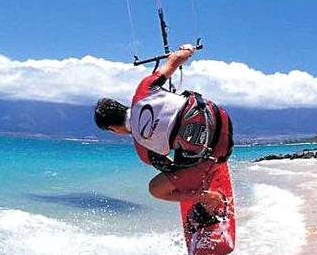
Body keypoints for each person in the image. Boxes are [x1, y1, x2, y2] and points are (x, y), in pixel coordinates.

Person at [94, 44, 234, 221]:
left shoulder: (142, 149)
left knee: (156, 188)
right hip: (223, 119)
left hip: (219, 151)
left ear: (112, 129)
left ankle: (210, 199)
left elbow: (173, 170)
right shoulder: (143, 89)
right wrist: (188, 50)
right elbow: (175, 60)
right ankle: (203, 161)